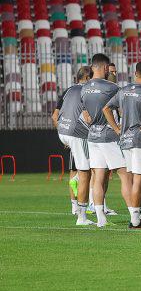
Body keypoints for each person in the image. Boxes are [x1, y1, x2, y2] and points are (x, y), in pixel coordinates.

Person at [80, 53, 133, 227]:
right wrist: (119, 128)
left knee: (98, 177)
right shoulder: (112, 87)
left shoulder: (84, 88)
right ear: (104, 67)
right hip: (109, 136)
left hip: (92, 136)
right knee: (125, 175)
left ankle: (101, 219)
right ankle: (135, 216)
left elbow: (87, 117)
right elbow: (123, 111)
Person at [103, 60, 141, 229]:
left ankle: (135, 218)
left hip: (125, 140)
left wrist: (117, 129)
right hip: (140, 139)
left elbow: (106, 109)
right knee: (139, 180)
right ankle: (135, 220)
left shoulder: (123, 91)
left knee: (132, 180)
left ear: (135, 73)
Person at [52, 66, 94, 225]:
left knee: (88, 167)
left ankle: (75, 180)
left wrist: (65, 134)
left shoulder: (68, 90)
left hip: (63, 131)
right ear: (88, 78)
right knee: (85, 174)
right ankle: (82, 218)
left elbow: (54, 116)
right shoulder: (88, 91)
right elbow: (87, 117)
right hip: (77, 133)